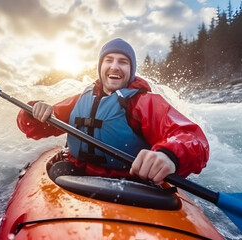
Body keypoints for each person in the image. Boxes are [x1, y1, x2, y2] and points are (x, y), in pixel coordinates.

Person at [17, 38, 209, 184]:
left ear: (131, 70)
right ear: (100, 67)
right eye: (108, 60)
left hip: (129, 182)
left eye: (123, 62)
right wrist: (33, 112)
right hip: (76, 175)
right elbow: (34, 129)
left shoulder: (144, 102)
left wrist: (169, 155)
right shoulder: (80, 100)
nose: (114, 66)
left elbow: (193, 138)